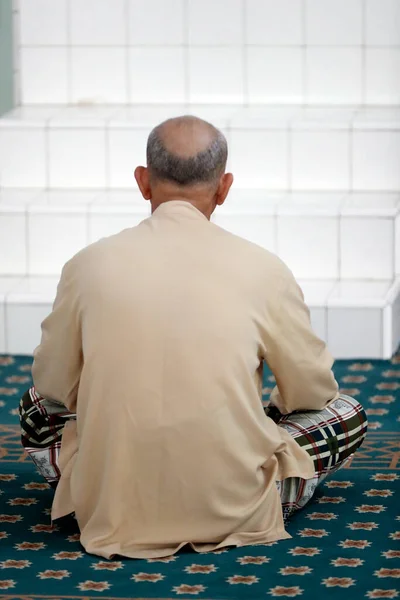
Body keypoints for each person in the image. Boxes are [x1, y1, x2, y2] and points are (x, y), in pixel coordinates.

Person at [19, 116, 367, 560]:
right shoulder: (264, 269)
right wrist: (266, 409)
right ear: (224, 187)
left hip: (108, 507)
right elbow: (313, 391)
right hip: (236, 508)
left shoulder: (86, 265)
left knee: (34, 404)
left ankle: (84, 486)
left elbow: (51, 387)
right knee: (347, 412)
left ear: (143, 182)